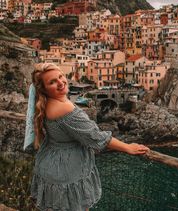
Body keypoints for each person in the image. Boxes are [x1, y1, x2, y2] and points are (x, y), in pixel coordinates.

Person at [25, 63, 150, 211]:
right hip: (67, 171)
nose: (60, 82)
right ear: (43, 89)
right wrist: (128, 147)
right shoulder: (65, 109)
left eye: (60, 76)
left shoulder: (45, 103)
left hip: (50, 164)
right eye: (52, 82)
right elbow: (96, 137)